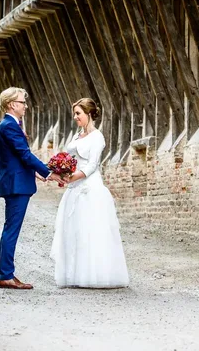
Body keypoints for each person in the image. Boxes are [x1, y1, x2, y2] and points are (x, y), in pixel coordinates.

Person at [51, 98, 129, 288]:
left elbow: (93, 165)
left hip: (89, 187)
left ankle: (94, 274)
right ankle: (75, 274)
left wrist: (72, 177)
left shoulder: (97, 137)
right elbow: (70, 159)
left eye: (78, 113)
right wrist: (60, 170)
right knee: (74, 230)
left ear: (89, 114)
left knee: (90, 230)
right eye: (74, 114)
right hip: (73, 188)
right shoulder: (77, 135)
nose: (75, 117)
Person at [0, 87, 65, 290]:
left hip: (17, 182)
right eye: (22, 102)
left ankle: (6, 274)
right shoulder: (9, 126)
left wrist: (35, 173)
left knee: (10, 229)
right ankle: (6, 275)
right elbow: (25, 155)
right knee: (11, 230)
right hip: (16, 185)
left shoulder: (9, 125)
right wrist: (48, 173)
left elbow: (16, 158)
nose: (26, 106)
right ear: (12, 104)